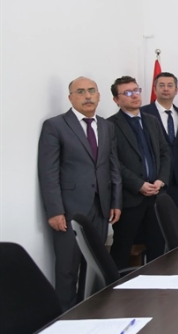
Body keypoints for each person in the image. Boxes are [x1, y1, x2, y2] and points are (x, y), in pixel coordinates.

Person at [38, 77, 122, 310]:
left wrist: (116, 201)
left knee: (94, 266)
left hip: (101, 208)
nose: (87, 96)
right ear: (70, 97)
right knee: (68, 268)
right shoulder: (55, 126)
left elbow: (112, 166)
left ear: (99, 96)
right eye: (81, 91)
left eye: (92, 91)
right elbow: (48, 172)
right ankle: (65, 318)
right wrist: (55, 210)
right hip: (69, 210)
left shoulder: (106, 126)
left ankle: (90, 314)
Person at [108, 76, 170, 269]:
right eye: (127, 93)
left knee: (157, 249)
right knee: (122, 250)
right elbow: (113, 162)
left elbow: (165, 153)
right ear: (116, 100)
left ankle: (157, 285)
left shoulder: (152, 120)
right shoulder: (110, 125)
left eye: (136, 90)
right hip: (130, 199)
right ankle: (116, 287)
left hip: (156, 196)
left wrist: (161, 179)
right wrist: (138, 184)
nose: (134, 95)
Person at [141, 72, 178, 213]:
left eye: (170, 85)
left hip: (177, 179)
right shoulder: (143, 112)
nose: (165, 89)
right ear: (155, 89)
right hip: (154, 179)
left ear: (176, 90)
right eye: (161, 85)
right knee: (154, 221)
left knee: (174, 219)